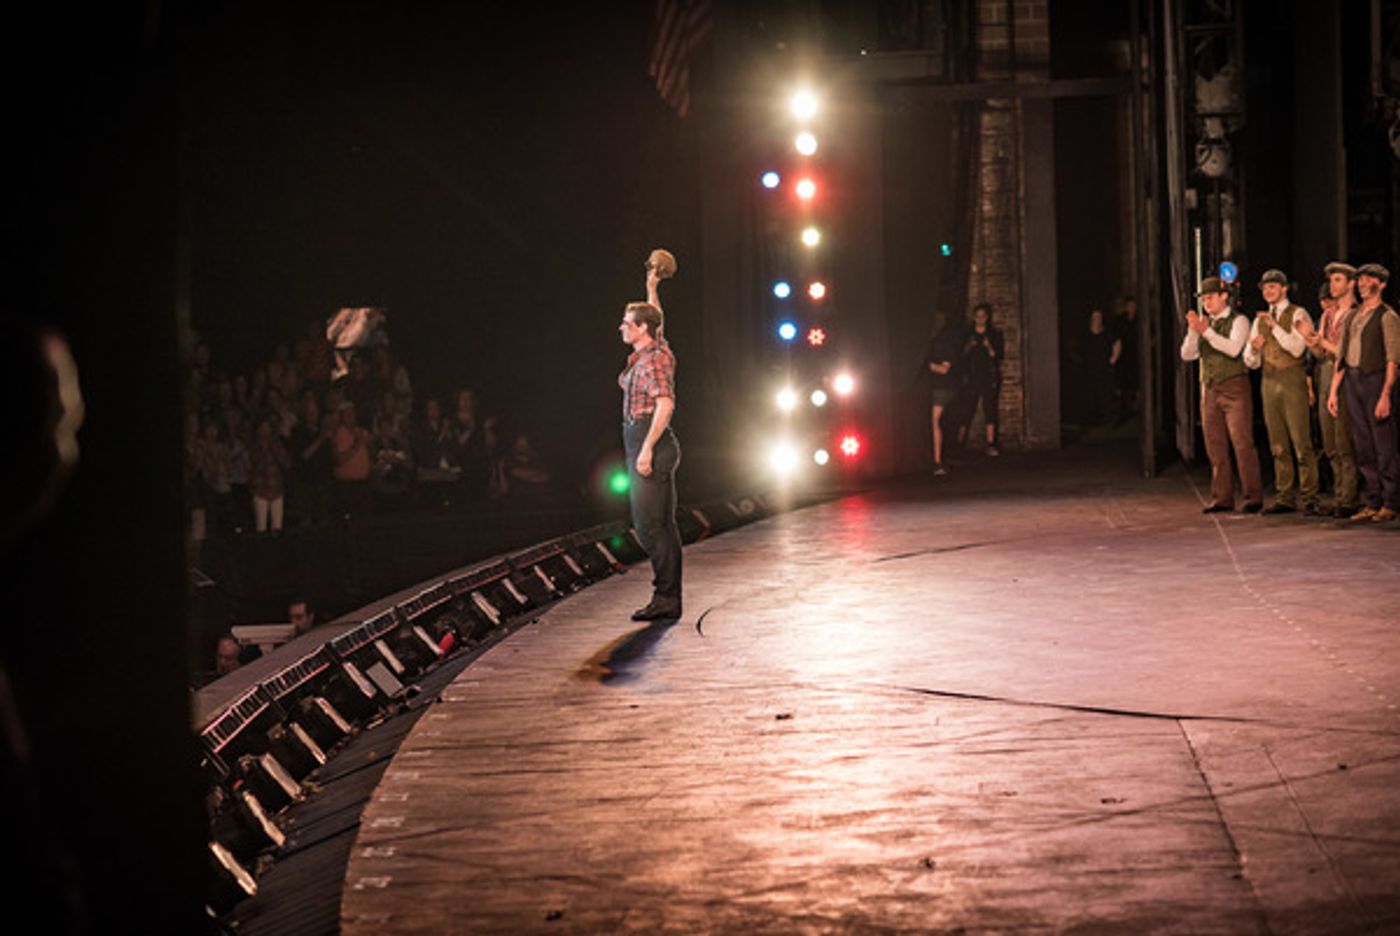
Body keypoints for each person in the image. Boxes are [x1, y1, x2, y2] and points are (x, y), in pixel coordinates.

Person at [618, 263, 682, 621]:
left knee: (648, 525)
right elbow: (658, 320)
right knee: (663, 525)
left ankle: (666, 596)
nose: (621, 327)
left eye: (627, 323)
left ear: (641, 330)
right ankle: (668, 598)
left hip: (649, 438)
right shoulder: (652, 349)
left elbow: (665, 403)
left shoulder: (654, 360)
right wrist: (651, 286)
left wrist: (646, 448)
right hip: (643, 438)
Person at [1181, 276, 1263, 513]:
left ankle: (1253, 496)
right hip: (1210, 388)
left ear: (1224, 296)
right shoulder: (1206, 325)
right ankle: (1222, 497)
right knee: (1214, 445)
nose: (1207, 302)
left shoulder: (1239, 321)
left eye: (1211, 297)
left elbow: (1234, 349)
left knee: (1242, 442)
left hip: (1234, 387)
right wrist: (1194, 332)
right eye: (1204, 299)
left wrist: (1206, 332)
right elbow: (1187, 354)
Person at [1244, 268, 1320, 515]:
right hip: (1269, 379)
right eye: (1265, 288)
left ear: (1284, 288)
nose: (1268, 291)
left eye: (1273, 287)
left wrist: (1275, 327)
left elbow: (1298, 350)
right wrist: (1254, 350)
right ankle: (1285, 495)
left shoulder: (1297, 313)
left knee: (1301, 441)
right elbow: (1250, 361)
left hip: (1291, 379)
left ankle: (1310, 497)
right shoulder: (1259, 320)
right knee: (1277, 443)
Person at [1327, 263, 1400, 522]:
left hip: (1375, 379)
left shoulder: (1387, 316)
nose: (1361, 283)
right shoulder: (1352, 316)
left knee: (1383, 443)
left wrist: (1386, 394)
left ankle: (1391, 501)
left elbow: (1392, 359)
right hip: (1353, 381)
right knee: (1363, 444)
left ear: (1381, 284)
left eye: (1368, 279)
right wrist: (1334, 391)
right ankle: (1373, 500)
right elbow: (1342, 357)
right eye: (1360, 279)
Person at [1300, 264, 1361, 517]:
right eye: (1332, 281)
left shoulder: (1356, 314)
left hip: (1346, 375)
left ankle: (1349, 497)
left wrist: (1322, 342)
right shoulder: (1328, 315)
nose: (1333, 285)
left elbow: (1347, 353)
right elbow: (1321, 353)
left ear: (1351, 283)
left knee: (1344, 439)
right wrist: (1310, 339)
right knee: (1329, 442)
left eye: (1338, 280)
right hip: (1326, 373)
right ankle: (1339, 496)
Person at [955, 303, 1004, 456]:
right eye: (978, 316)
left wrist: (989, 346)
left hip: (988, 377)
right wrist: (969, 346)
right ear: (974, 317)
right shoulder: (967, 335)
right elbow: (960, 356)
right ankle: (958, 444)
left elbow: (998, 356)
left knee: (990, 409)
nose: (980, 319)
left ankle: (991, 444)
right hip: (971, 377)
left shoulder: (994, 335)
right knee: (966, 410)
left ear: (987, 318)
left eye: (983, 316)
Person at [924, 318, 961, 475]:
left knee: (936, 421)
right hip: (937, 387)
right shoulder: (933, 343)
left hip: (943, 387)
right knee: (936, 421)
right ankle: (938, 459)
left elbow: (944, 369)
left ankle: (938, 460)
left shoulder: (946, 344)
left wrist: (927, 366)